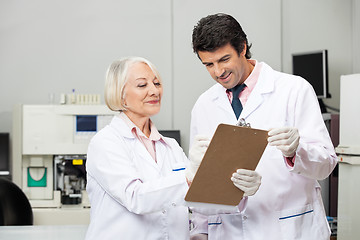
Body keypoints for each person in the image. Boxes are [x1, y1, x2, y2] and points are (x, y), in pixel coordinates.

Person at [189, 13, 338, 240]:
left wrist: (294, 152)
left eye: (224, 60)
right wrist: (199, 230)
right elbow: (203, 178)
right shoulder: (203, 105)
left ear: (242, 48)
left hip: (290, 228)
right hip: (229, 231)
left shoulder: (294, 90)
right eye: (208, 64)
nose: (218, 72)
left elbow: (326, 165)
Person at [85, 56, 192, 239]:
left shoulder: (171, 147)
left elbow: (196, 201)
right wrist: (188, 179)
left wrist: (233, 187)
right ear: (120, 94)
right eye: (142, 85)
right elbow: (135, 198)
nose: (154, 91)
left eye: (157, 83)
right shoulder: (105, 142)